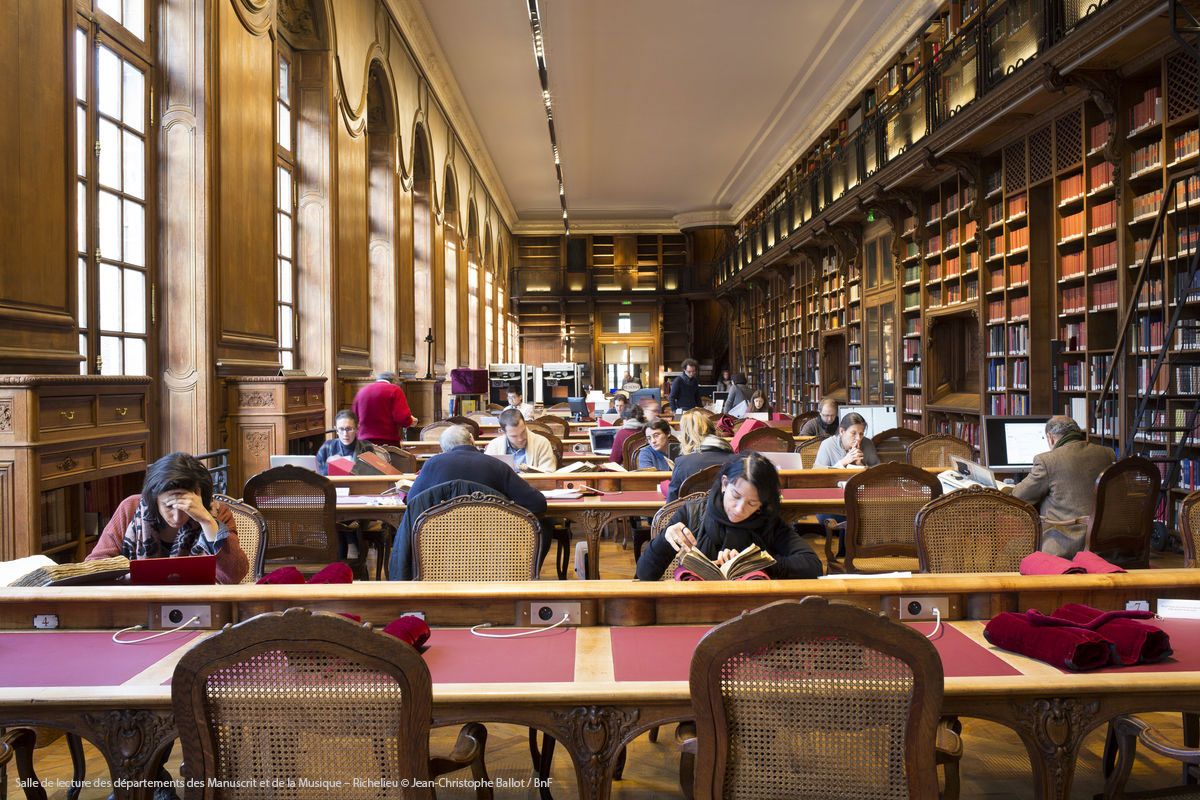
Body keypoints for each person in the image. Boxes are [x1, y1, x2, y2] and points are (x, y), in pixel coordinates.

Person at [636, 453, 822, 580]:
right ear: (725, 484)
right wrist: (664, 539)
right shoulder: (692, 513)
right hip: (694, 607)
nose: (740, 509)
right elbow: (644, 574)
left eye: (752, 503)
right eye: (736, 496)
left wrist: (755, 562)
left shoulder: (767, 521)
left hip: (753, 612)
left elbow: (812, 565)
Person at [87, 452, 248, 584]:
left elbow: (233, 575)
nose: (177, 517)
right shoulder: (130, 508)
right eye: (169, 506)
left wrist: (206, 521)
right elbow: (94, 567)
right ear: (155, 499)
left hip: (201, 605)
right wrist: (126, 579)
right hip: (138, 604)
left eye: (186, 508)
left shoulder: (217, 513)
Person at [1005, 416, 1116, 557]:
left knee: (1011, 548)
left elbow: (1019, 497)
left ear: (1050, 438)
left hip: (1065, 544)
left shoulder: (1047, 460)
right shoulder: (1108, 454)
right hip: (1105, 541)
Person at [668, 411, 734, 501]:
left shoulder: (682, 463)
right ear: (713, 431)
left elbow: (671, 503)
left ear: (686, 436)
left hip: (691, 514)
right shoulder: (735, 460)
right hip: (727, 514)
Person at [352, 371, 417, 447]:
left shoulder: (362, 390)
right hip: (388, 442)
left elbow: (354, 418)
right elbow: (402, 418)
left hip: (363, 442)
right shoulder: (395, 389)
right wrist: (411, 421)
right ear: (394, 381)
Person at [484, 408, 557, 472]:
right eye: (514, 436)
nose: (520, 439)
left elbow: (548, 473)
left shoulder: (542, 443)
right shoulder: (494, 446)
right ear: (504, 432)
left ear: (525, 424)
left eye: (523, 432)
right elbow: (487, 472)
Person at [316, 409, 374, 475]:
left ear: (357, 428)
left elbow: (374, 474)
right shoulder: (327, 446)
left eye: (349, 429)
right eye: (341, 429)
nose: (345, 434)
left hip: (358, 485)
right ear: (336, 430)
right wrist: (329, 466)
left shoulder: (367, 447)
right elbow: (317, 475)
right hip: (333, 485)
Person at [814, 412, 881, 469]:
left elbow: (877, 472)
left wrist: (859, 465)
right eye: (853, 433)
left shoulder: (867, 443)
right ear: (842, 431)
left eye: (861, 434)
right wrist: (844, 462)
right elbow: (817, 475)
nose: (858, 438)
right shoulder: (827, 445)